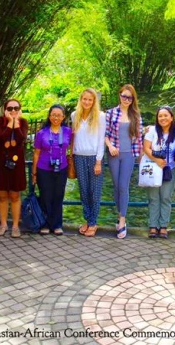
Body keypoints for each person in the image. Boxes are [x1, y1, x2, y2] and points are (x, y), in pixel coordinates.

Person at [105, 84, 143, 239]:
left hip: (129, 154)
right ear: (119, 95)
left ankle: (122, 220)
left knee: (123, 186)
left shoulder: (136, 115)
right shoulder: (110, 113)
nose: (126, 99)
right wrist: (110, 146)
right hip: (114, 153)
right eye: (124, 96)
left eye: (129, 97)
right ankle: (119, 213)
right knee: (115, 185)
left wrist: (140, 157)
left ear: (133, 99)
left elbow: (139, 138)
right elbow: (105, 133)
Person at [0, 99, 29, 238]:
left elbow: (21, 138)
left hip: (16, 163)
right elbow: (0, 139)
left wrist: (16, 124)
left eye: (16, 108)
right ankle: (3, 224)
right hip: (1, 161)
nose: (13, 110)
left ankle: (15, 225)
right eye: (10, 108)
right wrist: (10, 123)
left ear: (20, 109)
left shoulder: (23, 122)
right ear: (5, 109)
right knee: (1, 195)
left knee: (14, 194)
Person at [32, 105, 73, 235]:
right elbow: (36, 153)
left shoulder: (68, 132)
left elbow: (73, 148)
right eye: (53, 115)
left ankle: (57, 224)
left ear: (63, 117)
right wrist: (34, 172)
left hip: (62, 168)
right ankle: (45, 224)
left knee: (58, 195)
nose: (56, 117)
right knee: (45, 196)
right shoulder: (41, 133)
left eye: (59, 115)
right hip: (43, 168)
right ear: (49, 116)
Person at [72, 89, 106, 238]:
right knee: (84, 192)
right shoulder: (75, 116)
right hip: (79, 157)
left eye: (90, 100)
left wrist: (98, 161)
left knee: (95, 191)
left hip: (94, 157)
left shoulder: (100, 116)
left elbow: (101, 140)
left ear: (94, 102)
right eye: (84, 99)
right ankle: (88, 220)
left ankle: (93, 222)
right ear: (80, 100)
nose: (87, 102)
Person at [144, 106, 175, 238]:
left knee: (166, 197)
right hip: (153, 168)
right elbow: (146, 148)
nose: (163, 118)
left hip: (169, 168)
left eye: (166, 115)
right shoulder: (152, 131)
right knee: (153, 198)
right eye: (160, 116)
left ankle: (164, 226)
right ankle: (153, 226)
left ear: (171, 117)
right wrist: (157, 160)